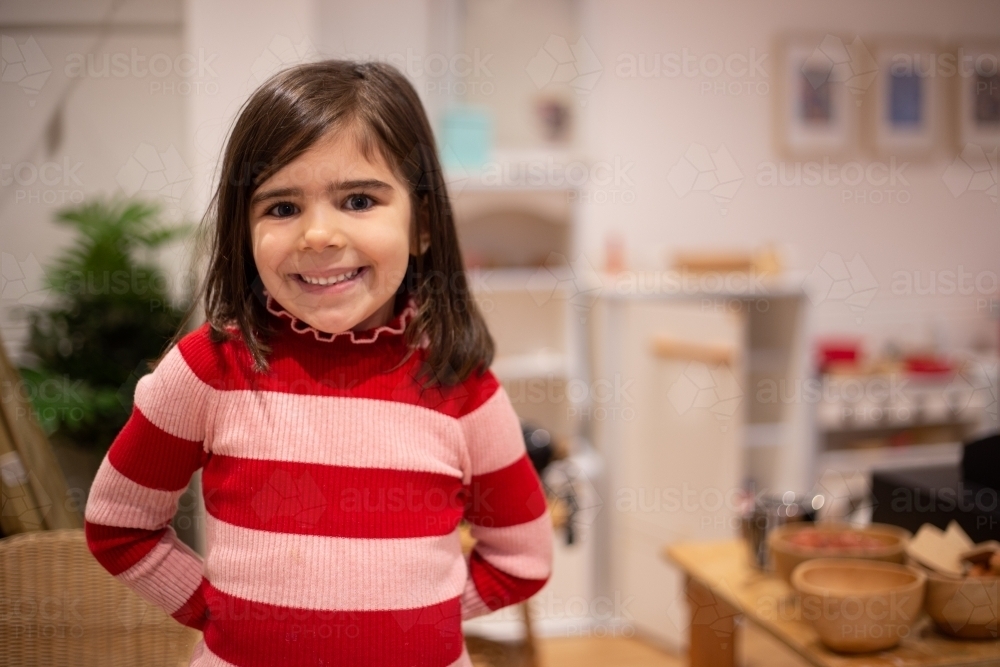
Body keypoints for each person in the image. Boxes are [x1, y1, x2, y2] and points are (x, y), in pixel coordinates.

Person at [84, 60, 553, 667]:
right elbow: (120, 526)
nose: (318, 235)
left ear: (422, 226)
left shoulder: (463, 386)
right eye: (282, 208)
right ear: (243, 232)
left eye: (358, 200)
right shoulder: (207, 369)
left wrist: (417, 617)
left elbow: (523, 559)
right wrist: (219, 613)